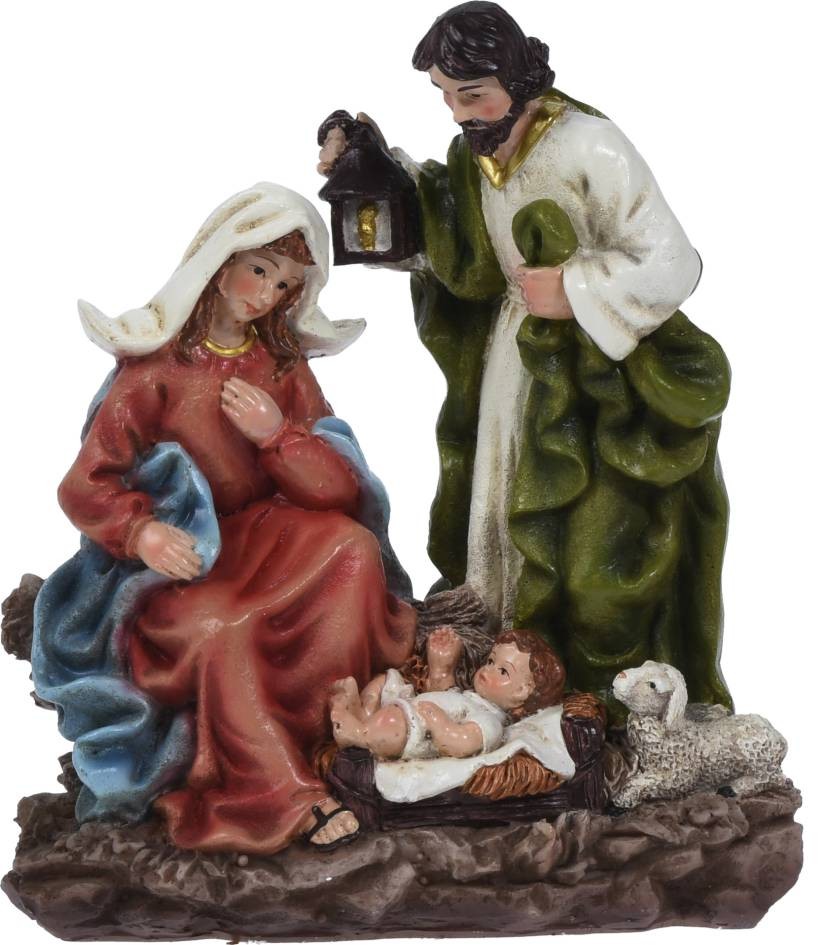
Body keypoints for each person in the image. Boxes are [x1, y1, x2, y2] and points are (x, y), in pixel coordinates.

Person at [318, 2, 732, 718]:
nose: (458, 114)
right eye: (445, 96)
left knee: (590, 537)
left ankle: (596, 694)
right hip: (516, 360)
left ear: (517, 77)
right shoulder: (478, 154)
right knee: (504, 512)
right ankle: (509, 669)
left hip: (596, 376)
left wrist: (575, 290)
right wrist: (372, 169)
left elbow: (674, 263)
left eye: (472, 95)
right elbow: (461, 249)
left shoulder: (590, 146)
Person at [38, 183, 417, 853]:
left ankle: (332, 735)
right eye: (260, 269)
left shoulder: (279, 365)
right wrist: (141, 531)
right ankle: (279, 791)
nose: (266, 294)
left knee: (352, 550)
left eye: (284, 285)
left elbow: (338, 490)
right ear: (220, 263)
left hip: (264, 536)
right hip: (186, 564)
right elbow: (84, 484)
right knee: (224, 630)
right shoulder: (154, 371)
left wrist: (278, 437)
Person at [330, 626, 566, 761]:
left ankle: (358, 734)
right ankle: (363, 712)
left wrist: (439, 723)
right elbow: (442, 693)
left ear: (522, 693)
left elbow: (463, 744)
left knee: (392, 723)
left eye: (503, 671)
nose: (488, 669)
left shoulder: (490, 721)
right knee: (385, 681)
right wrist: (441, 666)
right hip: (409, 710)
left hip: (414, 733)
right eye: (491, 661)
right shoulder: (469, 698)